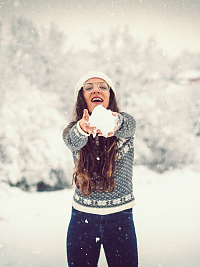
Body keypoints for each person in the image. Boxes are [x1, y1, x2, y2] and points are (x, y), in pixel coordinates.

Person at [63, 71, 138, 266]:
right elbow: (72, 140)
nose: (96, 89)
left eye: (103, 87)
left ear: (110, 96)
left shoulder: (123, 127)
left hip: (120, 219)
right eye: (89, 87)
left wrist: (114, 122)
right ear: (82, 98)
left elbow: (130, 125)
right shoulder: (74, 130)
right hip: (83, 219)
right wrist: (83, 128)